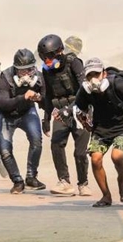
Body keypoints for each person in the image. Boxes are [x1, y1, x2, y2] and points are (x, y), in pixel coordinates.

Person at [74, 58, 123, 207]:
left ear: (104, 73)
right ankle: (106, 195)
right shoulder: (85, 91)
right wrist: (83, 120)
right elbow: (79, 107)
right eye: (89, 75)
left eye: (96, 74)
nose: (93, 79)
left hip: (122, 126)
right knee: (95, 159)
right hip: (101, 128)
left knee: (117, 156)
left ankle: (122, 179)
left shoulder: (118, 84)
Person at [38, 34, 91, 197]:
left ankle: (83, 183)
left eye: (50, 56)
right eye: (44, 57)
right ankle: (64, 182)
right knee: (56, 144)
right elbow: (48, 94)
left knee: (80, 152)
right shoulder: (46, 70)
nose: (47, 61)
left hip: (80, 111)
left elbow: (85, 90)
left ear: (60, 51)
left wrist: (70, 109)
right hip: (60, 111)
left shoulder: (74, 62)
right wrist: (46, 118)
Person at [0, 49, 46, 193]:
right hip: (6, 114)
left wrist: (39, 99)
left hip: (27, 111)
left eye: (29, 69)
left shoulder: (39, 78)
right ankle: (17, 181)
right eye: (22, 70)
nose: (26, 74)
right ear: (15, 69)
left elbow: (46, 100)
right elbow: (2, 103)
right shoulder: (6, 77)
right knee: (5, 150)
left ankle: (31, 176)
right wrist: (23, 97)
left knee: (36, 141)